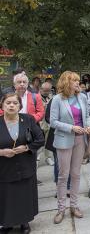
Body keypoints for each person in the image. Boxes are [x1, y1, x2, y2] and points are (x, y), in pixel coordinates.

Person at [50, 71, 90, 224]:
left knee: (76, 174)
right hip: (64, 140)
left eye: (77, 80)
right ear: (66, 82)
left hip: (80, 140)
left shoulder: (82, 97)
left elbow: (87, 115)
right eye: (74, 81)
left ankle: (74, 206)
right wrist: (71, 128)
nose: (77, 83)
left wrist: (87, 126)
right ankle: (61, 209)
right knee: (63, 175)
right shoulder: (57, 99)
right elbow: (53, 122)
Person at [0, 93, 45, 233]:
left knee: (24, 195)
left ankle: (24, 222)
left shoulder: (28, 119)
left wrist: (26, 148)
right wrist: (1, 152)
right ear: (2, 105)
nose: (11, 105)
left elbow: (40, 139)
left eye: (15, 103)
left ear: (20, 106)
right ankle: (7, 223)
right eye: (8, 103)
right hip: (4, 169)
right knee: (7, 197)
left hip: (25, 166)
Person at [38, 82, 55, 166]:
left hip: (49, 123)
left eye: (48, 91)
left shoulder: (52, 97)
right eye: (45, 90)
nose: (47, 92)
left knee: (48, 142)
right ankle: (37, 158)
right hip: (39, 123)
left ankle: (48, 157)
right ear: (41, 89)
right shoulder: (36, 97)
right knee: (39, 142)